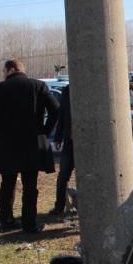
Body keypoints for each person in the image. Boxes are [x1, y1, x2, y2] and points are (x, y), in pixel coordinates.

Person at [0, 59, 59, 233]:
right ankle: (29, 223)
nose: (3, 74)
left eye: (4, 71)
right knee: (30, 185)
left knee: (8, 184)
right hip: (32, 142)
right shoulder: (38, 86)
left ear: (10, 69)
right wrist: (44, 131)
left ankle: (6, 220)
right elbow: (55, 109)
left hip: (7, 144)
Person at [50, 84, 73, 216]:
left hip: (88, 143)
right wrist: (58, 137)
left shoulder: (92, 86)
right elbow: (62, 114)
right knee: (63, 175)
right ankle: (59, 206)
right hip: (70, 141)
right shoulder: (67, 90)